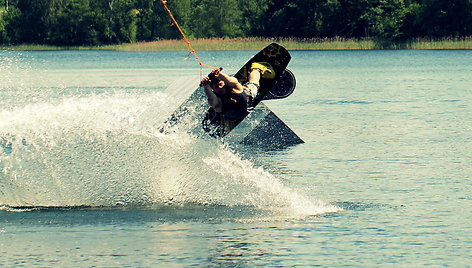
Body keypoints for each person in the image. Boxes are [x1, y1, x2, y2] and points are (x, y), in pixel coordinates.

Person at [200, 62, 276, 136]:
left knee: (253, 84)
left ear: (224, 83)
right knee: (217, 106)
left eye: (220, 84)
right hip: (228, 116)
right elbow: (211, 97)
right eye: (216, 87)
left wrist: (219, 74)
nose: (220, 87)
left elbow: (231, 80)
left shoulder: (234, 88)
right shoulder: (216, 101)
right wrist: (206, 86)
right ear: (213, 89)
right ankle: (218, 117)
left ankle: (257, 68)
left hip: (246, 97)